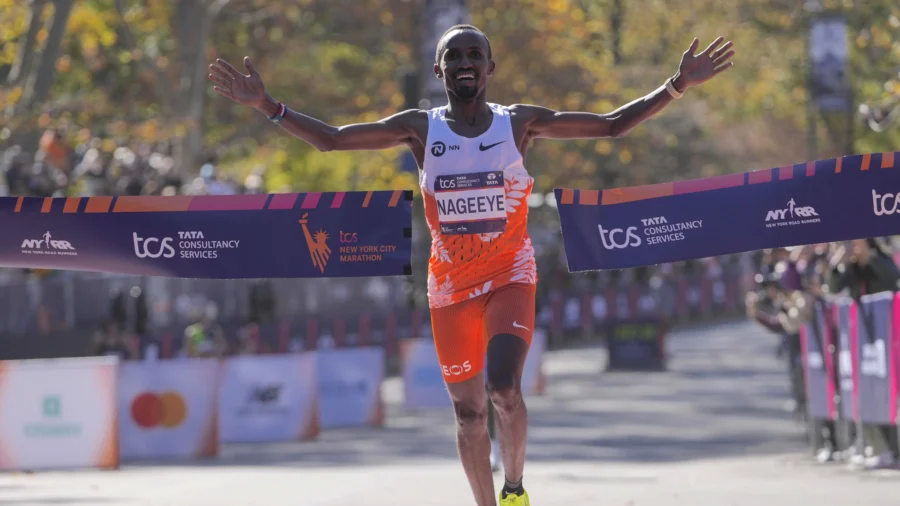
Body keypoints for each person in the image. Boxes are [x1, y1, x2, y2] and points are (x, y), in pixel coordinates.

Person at [208, 24, 734, 506]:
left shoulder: (519, 123)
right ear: (439, 71)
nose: (464, 62)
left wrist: (676, 85)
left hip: (510, 275)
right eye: (453, 55)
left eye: (474, 55)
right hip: (450, 289)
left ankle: (514, 489)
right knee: (468, 415)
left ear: (490, 67)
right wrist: (267, 106)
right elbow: (333, 140)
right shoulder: (420, 128)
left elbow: (613, 126)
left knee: (504, 388)